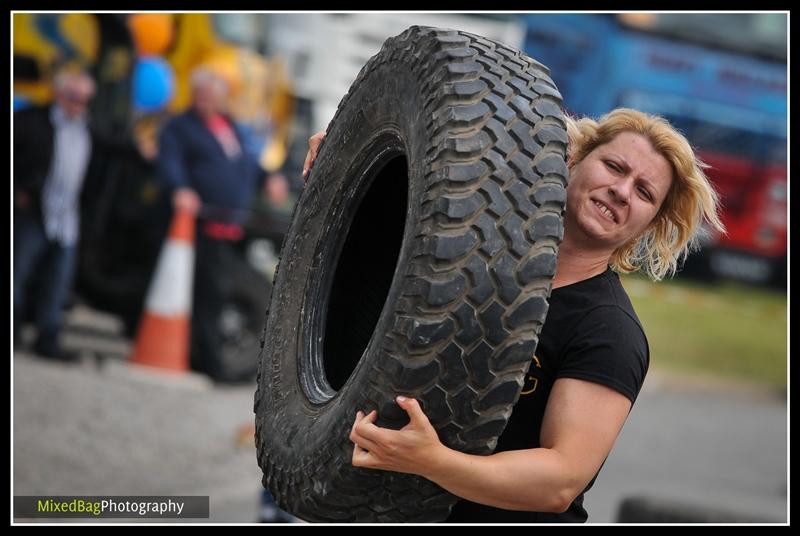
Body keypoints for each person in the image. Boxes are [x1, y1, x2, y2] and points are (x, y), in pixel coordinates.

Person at [303, 108, 724, 522]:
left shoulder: (610, 332)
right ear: (574, 160)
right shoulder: (472, 256)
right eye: (614, 167)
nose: (622, 190)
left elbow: (560, 480)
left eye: (644, 192)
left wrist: (434, 462)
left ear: (650, 223)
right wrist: (344, 163)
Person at [157, 67, 285, 382]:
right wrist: (181, 189)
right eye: (201, 96)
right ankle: (212, 365)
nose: (206, 102)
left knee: (218, 292)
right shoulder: (179, 127)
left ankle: (211, 360)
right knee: (208, 294)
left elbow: (247, 165)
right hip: (198, 227)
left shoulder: (229, 127)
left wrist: (269, 178)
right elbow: (170, 162)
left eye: (211, 97)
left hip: (229, 227)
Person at [13, 68, 96, 360]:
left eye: (85, 101)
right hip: (34, 212)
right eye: (74, 98)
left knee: (57, 283)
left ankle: (47, 338)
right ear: (59, 94)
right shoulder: (32, 121)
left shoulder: (85, 129)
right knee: (17, 273)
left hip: (66, 218)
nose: (79, 106)